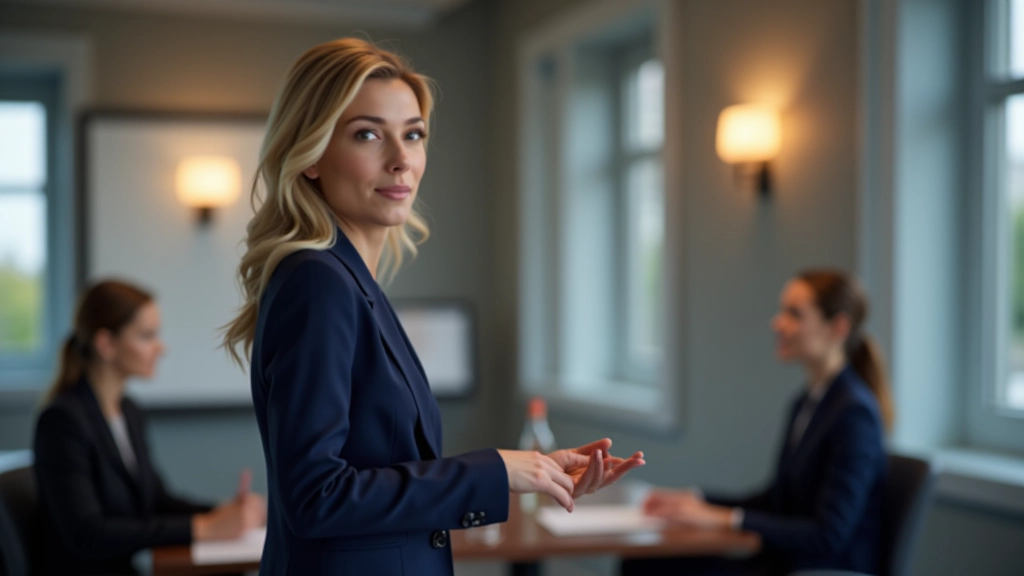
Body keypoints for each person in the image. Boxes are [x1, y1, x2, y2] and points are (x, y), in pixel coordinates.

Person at [220, 38, 645, 576]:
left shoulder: (351, 280)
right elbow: (316, 496)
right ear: (311, 155)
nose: (401, 160)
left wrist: (529, 472)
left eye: (413, 135)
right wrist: (494, 469)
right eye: (368, 134)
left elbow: (380, 472)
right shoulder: (317, 282)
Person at [624, 269, 892, 576]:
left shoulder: (854, 414)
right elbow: (777, 499)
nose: (777, 323)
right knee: (643, 561)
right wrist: (698, 500)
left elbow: (827, 535)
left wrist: (725, 519)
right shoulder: (808, 403)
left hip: (819, 569)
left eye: (794, 314)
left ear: (837, 328)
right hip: (783, 562)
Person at [34, 280, 267, 576]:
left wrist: (220, 513)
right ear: (106, 344)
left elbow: (155, 500)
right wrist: (203, 527)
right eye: (147, 336)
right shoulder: (62, 420)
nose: (160, 347)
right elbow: (87, 533)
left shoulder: (128, 412)